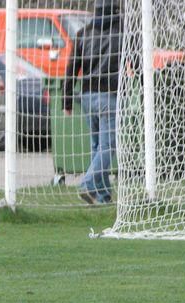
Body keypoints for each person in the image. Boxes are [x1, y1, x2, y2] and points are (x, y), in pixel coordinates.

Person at [63, 0, 122, 205]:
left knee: (97, 147)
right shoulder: (123, 31)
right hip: (109, 96)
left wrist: (67, 100)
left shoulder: (84, 32)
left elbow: (72, 68)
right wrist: (144, 89)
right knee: (108, 147)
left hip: (87, 96)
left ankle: (103, 196)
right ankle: (87, 184)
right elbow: (136, 61)